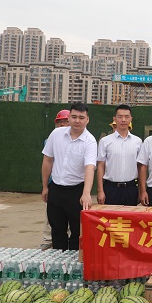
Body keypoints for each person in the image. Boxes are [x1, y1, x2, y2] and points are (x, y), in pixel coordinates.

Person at [41, 102, 97, 250]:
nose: (77, 121)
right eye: (74, 117)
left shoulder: (90, 141)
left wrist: (86, 193)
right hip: (56, 190)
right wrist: (45, 187)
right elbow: (47, 160)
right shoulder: (56, 134)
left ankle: (73, 262)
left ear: (87, 119)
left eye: (81, 117)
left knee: (77, 233)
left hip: (76, 192)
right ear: (69, 118)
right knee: (57, 231)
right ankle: (58, 262)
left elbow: (89, 167)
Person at [96, 104, 142, 206]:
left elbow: (140, 167)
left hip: (131, 189)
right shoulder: (105, 141)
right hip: (111, 189)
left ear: (131, 119)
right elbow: (100, 166)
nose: (123, 120)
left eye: (126, 117)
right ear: (114, 119)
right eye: (120, 117)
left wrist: (141, 191)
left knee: (130, 216)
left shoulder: (138, 141)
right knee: (110, 216)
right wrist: (100, 191)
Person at [40, 109, 70, 250]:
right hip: (54, 183)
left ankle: (70, 241)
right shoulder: (51, 139)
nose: (62, 124)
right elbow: (47, 162)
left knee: (71, 217)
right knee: (52, 216)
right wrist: (45, 186)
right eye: (59, 122)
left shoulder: (79, 139)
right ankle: (48, 239)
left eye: (65, 121)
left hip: (72, 185)